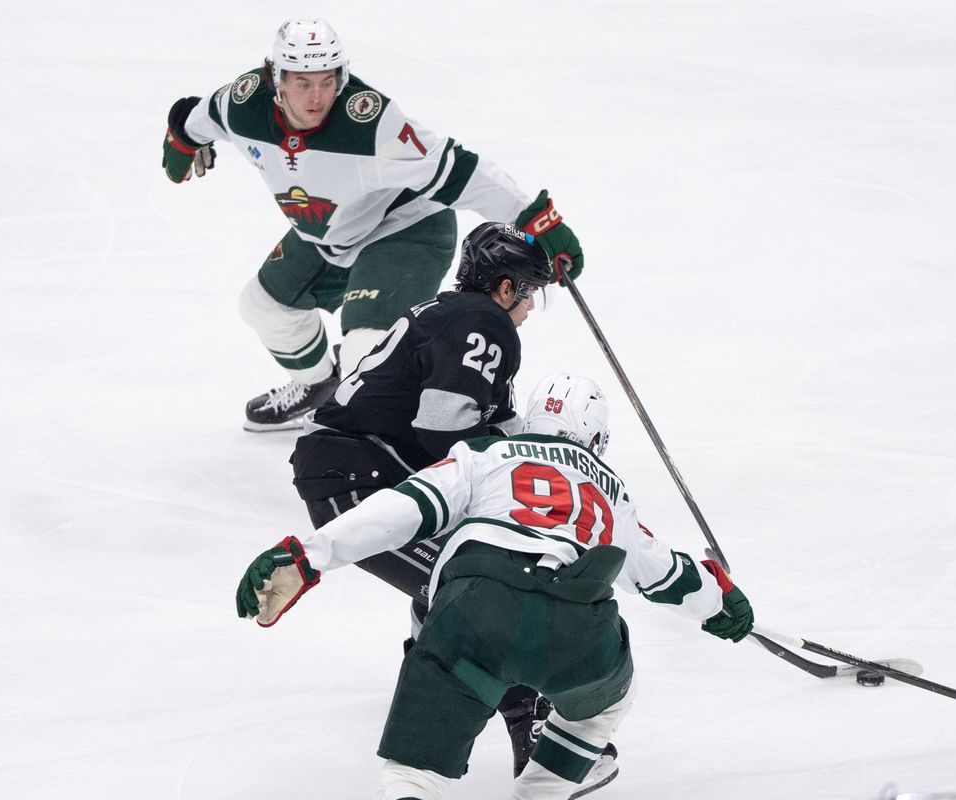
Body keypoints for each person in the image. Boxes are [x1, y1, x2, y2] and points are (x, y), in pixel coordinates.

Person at [236, 373, 755, 800]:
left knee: (412, 776)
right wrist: (721, 602)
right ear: (596, 439)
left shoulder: (483, 454)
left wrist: (309, 557)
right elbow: (666, 574)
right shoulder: (611, 490)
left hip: (473, 613)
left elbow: (401, 511)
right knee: (608, 702)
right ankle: (540, 792)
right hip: (579, 634)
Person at [161, 18, 585, 431]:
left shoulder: (372, 123)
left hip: (406, 228)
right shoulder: (244, 104)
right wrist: (181, 136)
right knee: (263, 307)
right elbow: (200, 117)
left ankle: (401, 438)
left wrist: (537, 220)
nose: (317, 97)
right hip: (329, 231)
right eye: (303, 83)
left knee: (367, 351)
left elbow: (460, 171)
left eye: (328, 81)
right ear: (277, 79)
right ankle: (317, 387)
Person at [290, 219, 554, 778]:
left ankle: (430, 702)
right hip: (354, 475)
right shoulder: (482, 322)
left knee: (460, 582)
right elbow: (444, 432)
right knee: (481, 591)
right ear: (504, 288)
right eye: (529, 293)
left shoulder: (456, 314)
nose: (530, 308)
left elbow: (499, 430)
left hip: (366, 466)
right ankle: (533, 734)